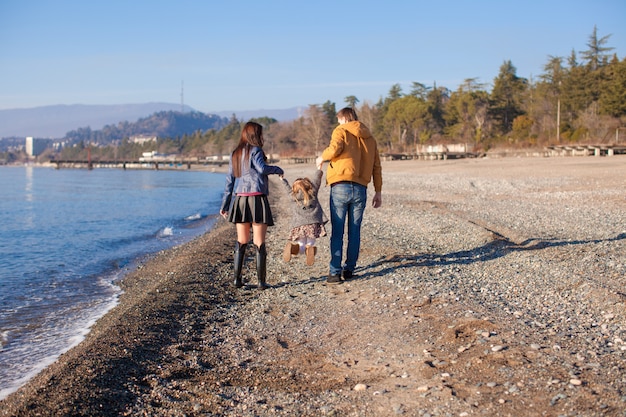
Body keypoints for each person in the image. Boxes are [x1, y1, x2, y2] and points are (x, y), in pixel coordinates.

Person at [316, 107, 382, 284]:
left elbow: (334, 149)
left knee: (337, 231)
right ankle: (350, 269)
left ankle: (335, 273)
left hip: (340, 185)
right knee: (354, 231)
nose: (338, 123)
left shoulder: (341, 130)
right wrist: (378, 191)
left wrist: (321, 158)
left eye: (339, 120)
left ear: (344, 119)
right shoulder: (370, 138)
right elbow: (376, 166)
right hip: (361, 187)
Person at [220, 121, 284, 289]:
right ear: (256, 135)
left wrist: (225, 205)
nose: (262, 137)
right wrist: (278, 169)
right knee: (259, 241)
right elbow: (262, 169)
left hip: (240, 200)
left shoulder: (235, 153)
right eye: (260, 134)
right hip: (256, 199)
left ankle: (237, 280)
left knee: (241, 240)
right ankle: (261, 282)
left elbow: (229, 181)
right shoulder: (256, 151)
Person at [279, 168, 328, 266]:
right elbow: (316, 180)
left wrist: (283, 180)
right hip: (312, 224)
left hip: (299, 225)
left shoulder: (293, 196)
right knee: (310, 242)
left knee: (301, 245)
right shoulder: (312, 192)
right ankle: (310, 248)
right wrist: (318, 169)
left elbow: (287, 188)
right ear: (308, 186)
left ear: (294, 189)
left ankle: (293, 248)